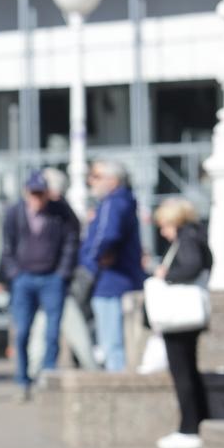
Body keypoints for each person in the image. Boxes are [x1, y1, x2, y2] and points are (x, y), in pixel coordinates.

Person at [0, 170, 82, 400]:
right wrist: (13, 273)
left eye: (41, 193)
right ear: (26, 193)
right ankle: (22, 380)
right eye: (33, 193)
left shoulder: (60, 211)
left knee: (52, 331)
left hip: (52, 278)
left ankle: (47, 375)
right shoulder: (14, 213)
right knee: (22, 331)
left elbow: (72, 239)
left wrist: (63, 272)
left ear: (47, 193)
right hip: (23, 278)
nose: (37, 198)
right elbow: (6, 245)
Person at [150, 198, 213, 448]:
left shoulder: (186, 238)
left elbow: (191, 266)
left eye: (165, 225)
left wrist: (167, 275)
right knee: (190, 371)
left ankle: (189, 428)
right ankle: (201, 422)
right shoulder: (197, 235)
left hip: (180, 316)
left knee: (182, 372)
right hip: (190, 314)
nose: (163, 232)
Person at [79, 159, 147, 372]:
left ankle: (117, 381)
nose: (91, 181)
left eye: (96, 176)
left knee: (112, 342)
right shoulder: (124, 201)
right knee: (119, 340)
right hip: (120, 278)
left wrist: (91, 260)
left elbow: (107, 235)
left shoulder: (113, 203)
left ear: (113, 180)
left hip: (110, 280)